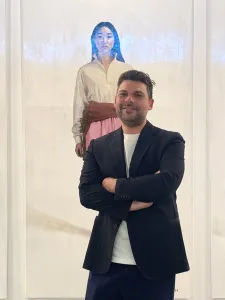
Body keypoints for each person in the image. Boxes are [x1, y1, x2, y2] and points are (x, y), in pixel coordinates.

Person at [79, 70, 190, 300]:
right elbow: (87, 194)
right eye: (123, 94)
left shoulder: (169, 141)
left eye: (138, 95)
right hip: (106, 263)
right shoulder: (98, 146)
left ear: (150, 103)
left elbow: (166, 183)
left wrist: (115, 185)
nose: (129, 99)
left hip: (155, 264)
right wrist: (129, 205)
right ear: (115, 101)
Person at [72, 21, 132, 157]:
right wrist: (78, 138)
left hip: (120, 126)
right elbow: (79, 104)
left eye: (109, 36)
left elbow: (133, 102)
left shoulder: (126, 69)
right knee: (96, 170)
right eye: (99, 36)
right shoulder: (85, 71)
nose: (104, 40)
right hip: (94, 126)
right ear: (93, 40)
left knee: (120, 171)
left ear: (115, 39)